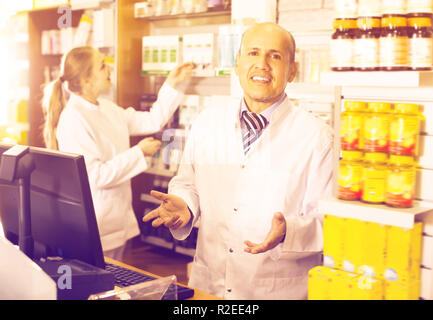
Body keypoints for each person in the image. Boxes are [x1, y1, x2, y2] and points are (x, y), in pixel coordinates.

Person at [143, 22, 334, 300]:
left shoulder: (317, 137)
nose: (262, 64)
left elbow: (329, 222)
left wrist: (288, 232)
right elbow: (187, 183)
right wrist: (185, 205)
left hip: (275, 290)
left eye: (275, 56)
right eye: (253, 53)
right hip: (209, 285)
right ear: (237, 63)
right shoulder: (207, 121)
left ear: (293, 71)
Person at [42, 46, 194, 260]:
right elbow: (96, 176)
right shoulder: (74, 119)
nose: (109, 68)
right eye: (102, 66)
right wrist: (138, 153)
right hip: (97, 223)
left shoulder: (107, 108)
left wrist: (172, 83)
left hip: (117, 219)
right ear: (86, 80)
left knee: (117, 284)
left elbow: (152, 120)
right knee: (99, 288)